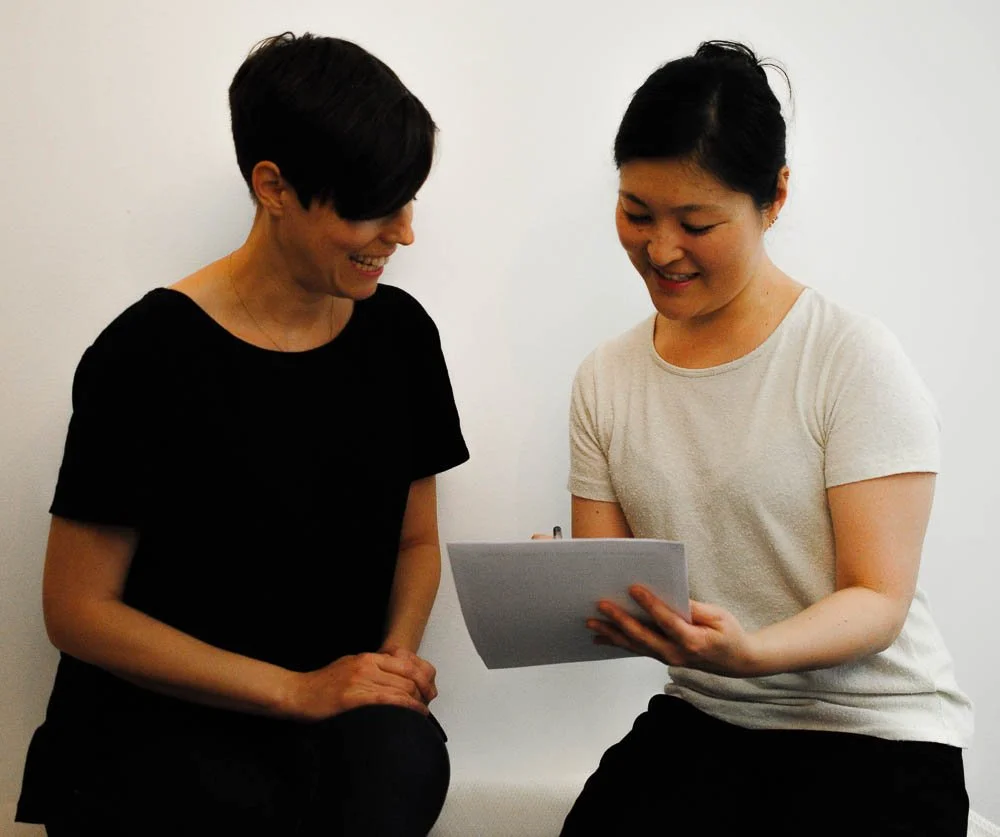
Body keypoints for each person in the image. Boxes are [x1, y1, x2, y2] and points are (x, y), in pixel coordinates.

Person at [16, 32, 468, 837]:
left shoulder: (399, 337)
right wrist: (295, 690)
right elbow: (76, 609)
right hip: (158, 727)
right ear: (274, 186)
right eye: (373, 206)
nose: (402, 234)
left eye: (408, 202)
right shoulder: (145, 355)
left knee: (401, 756)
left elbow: (415, 543)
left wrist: (392, 665)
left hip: (332, 724)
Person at [559, 41, 972, 836]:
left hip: (874, 730)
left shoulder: (850, 359)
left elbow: (878, 599)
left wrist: (755, 650)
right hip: (709, 713)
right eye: (636, 212)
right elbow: (616, 582)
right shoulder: (604, 378)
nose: (661, 248)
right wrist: (560, 590)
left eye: (697, 221)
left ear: (774, 196)